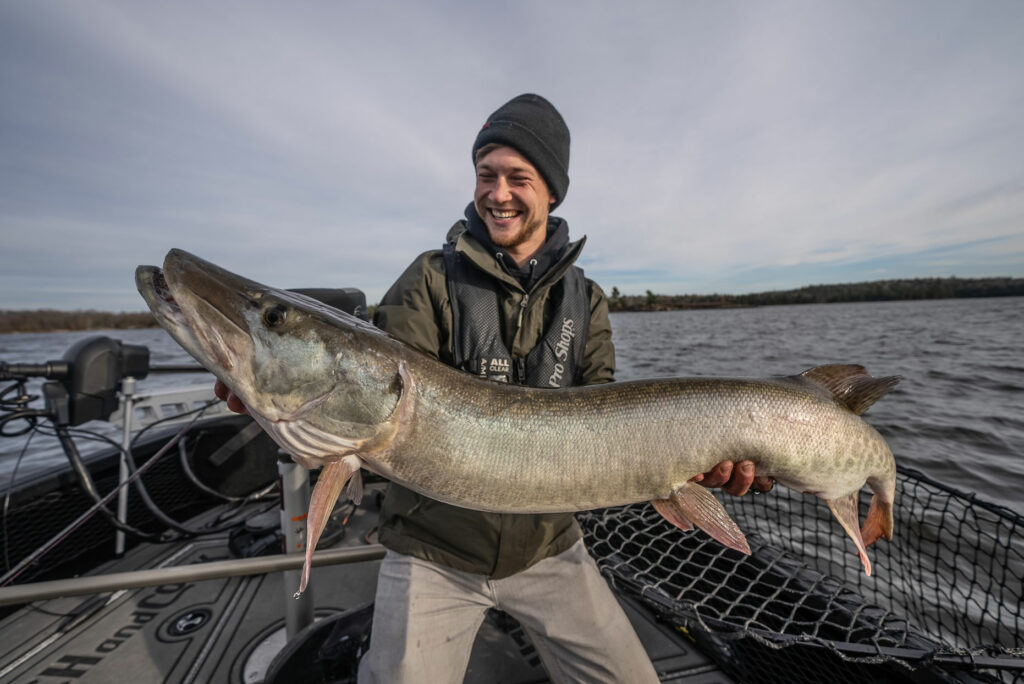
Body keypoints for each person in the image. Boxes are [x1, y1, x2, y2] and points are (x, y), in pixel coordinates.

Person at [216, 93, 771, 683]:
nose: (497, 193)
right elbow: (370, 405)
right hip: (434, 549)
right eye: (487, 175)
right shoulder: (430, 277)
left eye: (518, 178)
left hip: (549, 548)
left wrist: (694, 466)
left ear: (551, 191)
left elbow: (608, 427)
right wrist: (276, 395)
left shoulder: (586, 300)